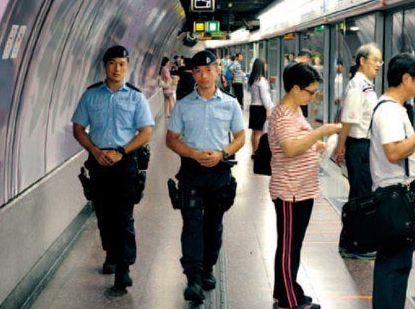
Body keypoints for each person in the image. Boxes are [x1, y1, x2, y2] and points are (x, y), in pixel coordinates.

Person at [71, 45, 155, 290]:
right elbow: (78, 129)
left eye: (121, 64)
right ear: (104, 66)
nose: (117, 68)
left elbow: (146, 132)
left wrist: (121, 152)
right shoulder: (90, 96)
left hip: (125, 162)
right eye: (112, 63)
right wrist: (95, 151)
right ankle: (110, 252)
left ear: (127, 67)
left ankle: (123, 267)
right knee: (104, 215)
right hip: (98, 164)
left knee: (123, 216)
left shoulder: (136, 97)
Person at [166, 50, 245, 304]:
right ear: (193, 74)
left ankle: (208, 268)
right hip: (191, 173)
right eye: (198, 71)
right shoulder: (183, 104)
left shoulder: (231, 103)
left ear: (217, 71)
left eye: (208, 70)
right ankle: (194, 279)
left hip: (220, 174)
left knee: (213, 226)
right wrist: (193, 153)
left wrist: (223, 154)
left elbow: (240, 137)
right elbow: (171, 139)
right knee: (191, 226)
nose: (203, 76)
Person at [369, 53, 415, 309]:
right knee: (393, 268)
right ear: (406, 78)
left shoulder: (394, 108)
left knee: (397, 266)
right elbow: (394, 153)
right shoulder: (389, 110)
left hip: (397, 199)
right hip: (394, 201)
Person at [268, 63, 341, 309]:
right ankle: (288, 301)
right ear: (296, 89)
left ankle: (288, 290)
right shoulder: (284, 114)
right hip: (291, 192)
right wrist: (321, 132)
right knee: (289, 247)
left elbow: (297, 142)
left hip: (301, 190)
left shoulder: (295, 110)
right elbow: (289, 148)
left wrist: (316, 145)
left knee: (293, 245)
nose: (313, 96)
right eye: (311, 92)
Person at [333, 43, 382, 260]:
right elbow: (347, 120)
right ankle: (352, 244)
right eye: (375, 60)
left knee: (361, 194)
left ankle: (352, 241)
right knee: (360, 196)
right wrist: (340, 148)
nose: (379, 65)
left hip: (365, 146)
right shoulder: (357, 86)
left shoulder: (367, 85)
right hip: (358, 145)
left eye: (380, 61)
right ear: (362, 61)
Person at [248, 58, 272, 156]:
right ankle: (257, 153)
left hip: (253, 106)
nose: (266, 67)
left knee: (254, 132)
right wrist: (267, 109)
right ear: (261, 67)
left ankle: (254, 152)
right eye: (265, 65)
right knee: (259, 132)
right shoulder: (261, 80)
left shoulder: (252, 79)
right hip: (260, 107)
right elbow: (264, 96)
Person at [283, 49, 314, 117]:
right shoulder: (298, 68)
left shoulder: (288, 66)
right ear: (304, 58)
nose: (307, 63)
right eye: (307, 61)